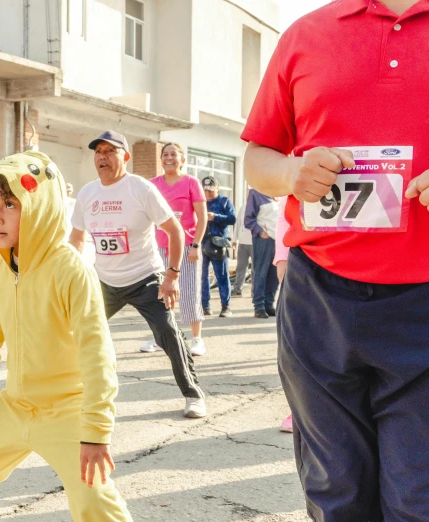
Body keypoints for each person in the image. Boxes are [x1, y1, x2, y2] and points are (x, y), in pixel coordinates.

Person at [241, 1, 429, 518]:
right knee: (335, 496)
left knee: (418, 500)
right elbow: (258, 160)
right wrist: (292, 174)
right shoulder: (305, 34)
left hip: (424, 301)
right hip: (318, 299)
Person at [0, 151, 133, 522]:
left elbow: (97, 353)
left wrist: (96, 431)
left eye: (11, 204)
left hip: (67, 409)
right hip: (16, 405)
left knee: (93, 499)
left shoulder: (71, 270)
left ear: (38, 208)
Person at [69, 130, 206, 418]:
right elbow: (77, 239)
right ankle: (67, 394)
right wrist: (72, 272)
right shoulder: (87, 193)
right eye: (98, 152)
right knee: (72, 331)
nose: (102, 157)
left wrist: (171, 276)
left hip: (146, 279)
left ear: (126, 157)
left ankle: (193, 395)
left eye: (110, 151)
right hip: (105, 281)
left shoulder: (140, 188)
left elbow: (175, 231)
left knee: (167, 333)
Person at [147, 143, 208, 355]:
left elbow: (202, 218)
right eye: (165, 154)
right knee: (159, 292)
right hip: (159, 247)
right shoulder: (152, 184)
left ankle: (197, 339)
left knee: (189, 292)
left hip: (187, 247)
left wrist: (197, 245)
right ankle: (160, 337)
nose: (169, 158)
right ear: (161, 159)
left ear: (182, 159)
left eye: (174, 154)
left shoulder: (192, 183)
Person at [200, 176, 236, 318]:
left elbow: (232, 219)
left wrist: (215, 216)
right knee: (202, 276)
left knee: (222, 275)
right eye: (205, 190)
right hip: (201, 242)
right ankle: (205, 306)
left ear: (217, 188)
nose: (208, 193)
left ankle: (225, 306)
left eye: (210, 190)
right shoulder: (200, 201)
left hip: (219, 243)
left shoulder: (224, 201)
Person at [272, 196, 291, 434]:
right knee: (300, 349)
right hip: (307, 262)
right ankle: (301, 408)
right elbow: (285, 212)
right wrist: (282, 258)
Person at [243, 188, 278, 318]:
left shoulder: (279, 192)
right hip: (264, 238)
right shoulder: (256, 193)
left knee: (274, 274)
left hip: (278, 239)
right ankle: (259, 306)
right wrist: (260, 232)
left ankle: (269, 304)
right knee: (261, 272)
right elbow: (248, 219)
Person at [231, 193, 252, 297]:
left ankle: (255, 291)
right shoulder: (243, 207)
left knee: (255, 269)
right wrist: (234, 240)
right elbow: (238, 223)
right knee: (241, 267)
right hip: (242, 243)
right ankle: (237, 288)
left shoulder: (260, 207)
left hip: (255, 243)